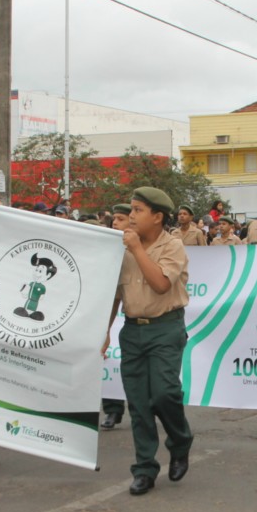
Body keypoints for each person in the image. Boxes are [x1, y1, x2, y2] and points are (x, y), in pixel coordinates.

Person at [104, 187, 194, 496]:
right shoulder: (120, 246)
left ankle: (180, 441)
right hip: (132, 331)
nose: (131, 216)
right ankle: (144, 468)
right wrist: (104, 333)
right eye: (131, 209)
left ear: (157, 217)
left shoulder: (173, 246)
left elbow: (159, 284)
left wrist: (136, 250)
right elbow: (114, 295)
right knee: (139, 404)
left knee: (165, 393)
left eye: (138, 210)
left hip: (165, 328)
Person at [101, 204, 132, 430]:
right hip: (111, 310)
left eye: (121, 219)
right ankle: (112, 409)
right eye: (114, 218)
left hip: (133, 311)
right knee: (109, 360)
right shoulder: (107, 246)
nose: (115, 222)